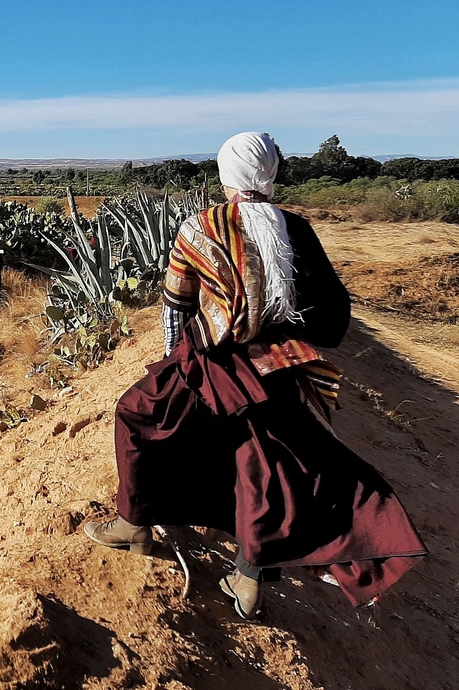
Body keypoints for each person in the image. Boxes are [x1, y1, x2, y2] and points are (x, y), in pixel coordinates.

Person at [83, 131, 426, 618]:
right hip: (280, 366)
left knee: (137, 414)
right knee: (261, 466)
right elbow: (333, 316)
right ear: (271, 175)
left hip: (214, 363)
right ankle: (247, 579)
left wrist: (174, 360)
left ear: (226, 178)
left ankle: (133, 523)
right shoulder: (296, 228)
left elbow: (174, 305)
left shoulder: (199, 228)